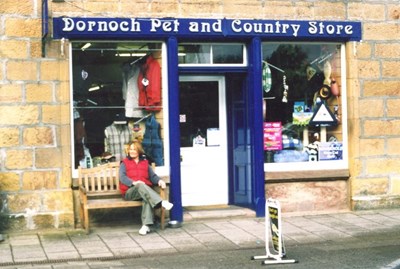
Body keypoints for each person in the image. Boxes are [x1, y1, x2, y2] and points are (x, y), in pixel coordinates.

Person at [119, 140, 173, 235]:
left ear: (139, 151)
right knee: (140, 185)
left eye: (134, 149)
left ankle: (145, 226)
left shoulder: (145, 163)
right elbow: (122, 177)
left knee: (147, 199)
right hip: (130, 192)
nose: (132, 151)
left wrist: (160, 180)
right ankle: (161, 202)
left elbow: (152, 176)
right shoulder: (124, 163)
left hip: (144, 192)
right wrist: (134, 183)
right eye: (130, 149)